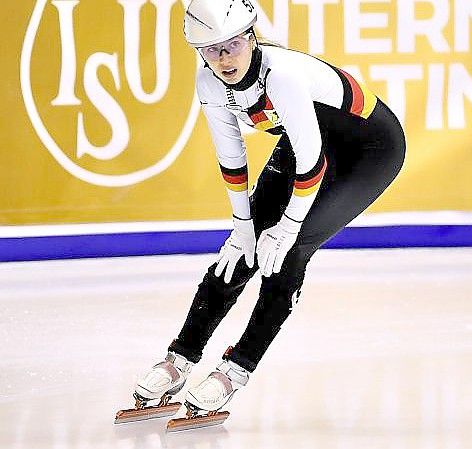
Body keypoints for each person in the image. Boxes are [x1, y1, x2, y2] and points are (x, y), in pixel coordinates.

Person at [123, 0, 406, 425]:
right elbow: (231, 157)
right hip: (310, 140)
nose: (224, 58)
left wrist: (289, 225)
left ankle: (237, 368)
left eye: (232, 44)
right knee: (240, 250)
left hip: (370, 149)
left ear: (251, 37)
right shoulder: (210, 81)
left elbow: (312, 165)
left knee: (289, 251)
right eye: (211, 49)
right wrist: (242, 226)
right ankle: (180, 356)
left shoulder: (283, 76)